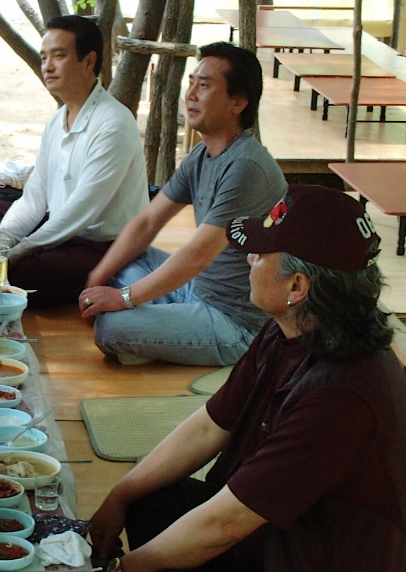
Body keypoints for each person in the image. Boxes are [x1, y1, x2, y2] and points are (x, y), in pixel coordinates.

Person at [88, 186, 406, 572]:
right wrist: (119, 495)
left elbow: (226, 522)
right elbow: (210, 425)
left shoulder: (342, 392)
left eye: (262, 253)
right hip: (280, 541)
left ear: (297, 287)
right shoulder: (291, 327)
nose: (248, 256)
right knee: (147, 500)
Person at [81, 42, 285, 367]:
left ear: (238, 102)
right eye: (191, 83)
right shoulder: (202, 155)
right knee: (124, 257)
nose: (190, 94)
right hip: (198, 290)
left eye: (204, 86)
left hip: (235, 320)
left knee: (110, 326)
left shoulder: (247, 166)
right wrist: (97, 277)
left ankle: (156, 330)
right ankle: (162, 325)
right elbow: (148, 222)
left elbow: (197, 256)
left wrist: (122, 298)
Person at [0, 16, 148, 308]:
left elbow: (82, 211)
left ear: (89, 61)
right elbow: (35, 197)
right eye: (44, 57)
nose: (47, 66)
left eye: (59, 56)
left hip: (102, 247)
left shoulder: (113, 123)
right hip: (63, 232)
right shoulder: (56, 121)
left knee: (22, 273)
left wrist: (16, 252)